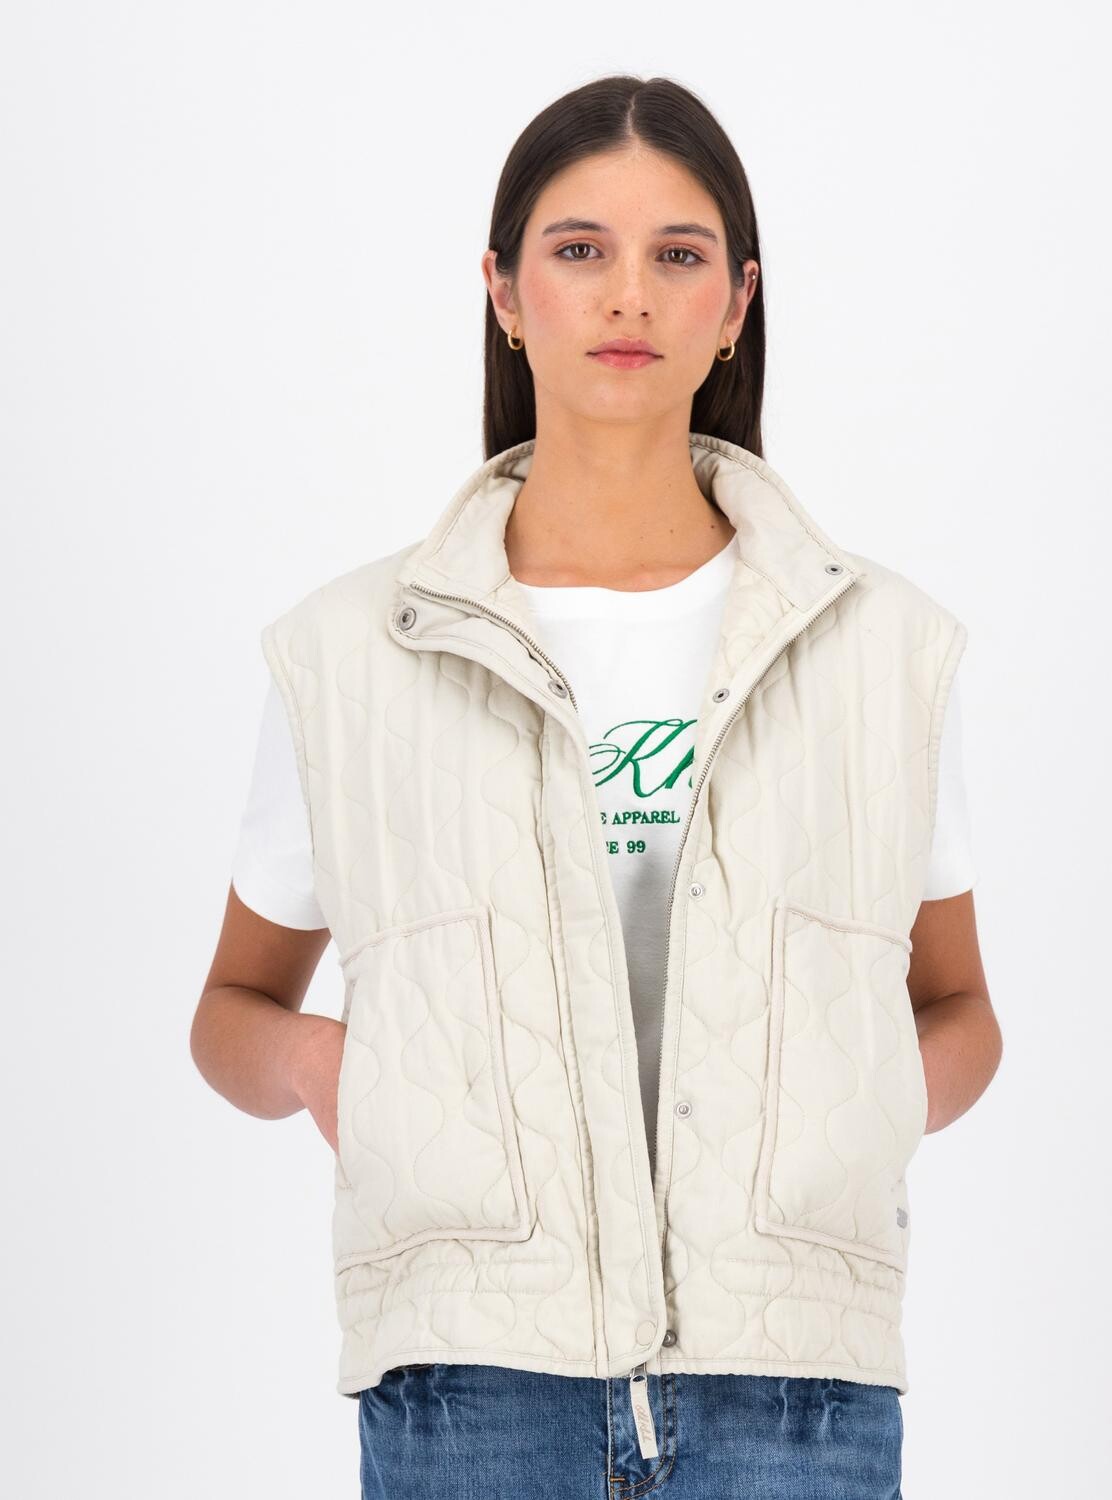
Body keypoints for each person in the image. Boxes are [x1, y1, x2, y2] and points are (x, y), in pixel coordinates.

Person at [191, 73, 1001, 1500]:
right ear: (504, 290)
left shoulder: (880, 649)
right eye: (580, 249)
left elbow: (959, 1011)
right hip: (470, 1390)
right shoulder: (353, 654)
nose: (629, 293)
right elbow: (231, 1012)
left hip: (796, 1389)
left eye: (679, 253)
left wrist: (861, 1109)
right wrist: (327, 1067)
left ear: (738, 302)